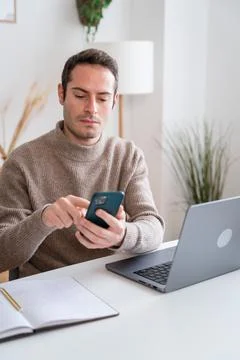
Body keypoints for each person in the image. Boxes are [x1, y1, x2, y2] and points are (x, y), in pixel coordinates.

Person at [0, 49, 164, 278]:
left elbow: (154, 229)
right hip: (46, 289)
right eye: (80, 95)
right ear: (61, 94)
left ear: (115, 101)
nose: (92, 108)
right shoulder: (22, 162)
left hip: (112, 283)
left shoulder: (128, 155)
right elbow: (2, 254)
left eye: (103, 98)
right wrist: (44, 219)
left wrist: (123, 234)